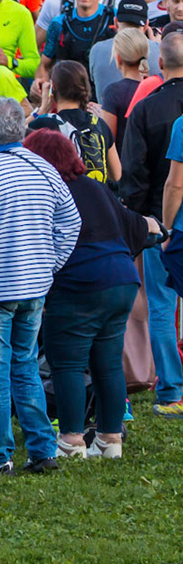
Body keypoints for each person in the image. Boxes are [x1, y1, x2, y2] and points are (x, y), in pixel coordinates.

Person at [0, 96, 81, 477]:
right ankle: (43, 449)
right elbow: (70, 222)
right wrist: (49, 265)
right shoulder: (43, 168)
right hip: (34, 286)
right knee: (25, 365)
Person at [23, 129, 147, 462]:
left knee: (67, 365)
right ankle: (109, 438)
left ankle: (71, 440)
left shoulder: (47, 191)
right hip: (121, 278)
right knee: (108, 364)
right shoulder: (96, 187)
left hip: (79, 284)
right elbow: (133, 225)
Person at [122, 29, 183, 415]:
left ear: (159, 65)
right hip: (169, 217)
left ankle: (172, 391)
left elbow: (136, 172)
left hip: (166, 221)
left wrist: (151, 222)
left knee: (162, 305)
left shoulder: (147, 109)